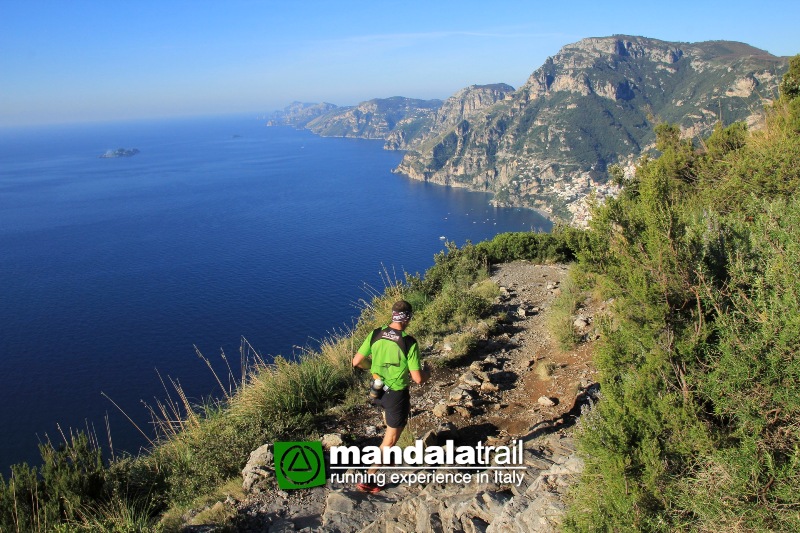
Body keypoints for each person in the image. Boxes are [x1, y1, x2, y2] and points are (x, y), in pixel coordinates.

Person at [351, 300, 430, 493]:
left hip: (377, 388)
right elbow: (418, 378)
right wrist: (428, 371)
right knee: (391, 438)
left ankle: (388, 454)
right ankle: (368, 479)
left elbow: (357, 361)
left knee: (388, 417)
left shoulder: (376, 333)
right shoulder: (408, 342)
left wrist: (375, 369)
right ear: (408, 318)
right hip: (396, 394)